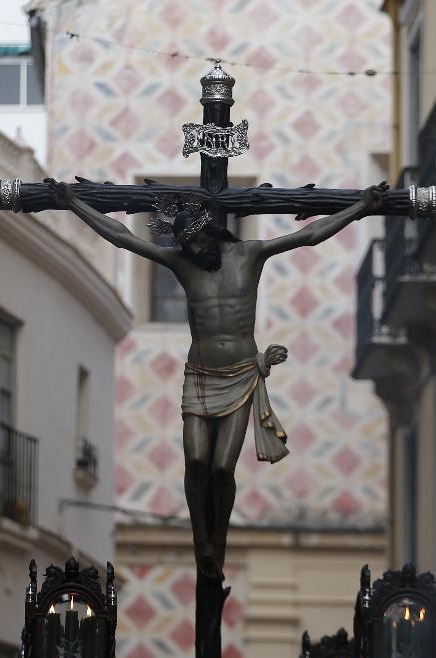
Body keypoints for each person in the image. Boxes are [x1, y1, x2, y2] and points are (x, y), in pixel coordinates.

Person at [47, 178, 388, 580]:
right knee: (195, 458)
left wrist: (361, 207)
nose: (192, 251)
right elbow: (123, 238)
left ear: (211, 231)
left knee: (223, 468)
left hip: (241, 375)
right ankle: (201, 542)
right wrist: (72, 204)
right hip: (201, 377)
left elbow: (310, 234)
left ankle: (217, 543)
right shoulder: (182, 264)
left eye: (196, 243)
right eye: (185, 246)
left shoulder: (251, 254)